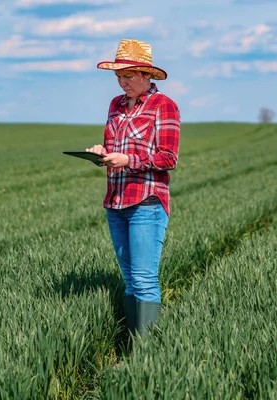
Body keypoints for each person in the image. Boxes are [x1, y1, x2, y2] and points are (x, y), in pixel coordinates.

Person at [86, 39, 180, 338]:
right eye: (118, 76)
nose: (121, 82)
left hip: (146, 202)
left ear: (145, 75)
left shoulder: (163, 105)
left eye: (127, 76)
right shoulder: (115, 104)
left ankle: (145, 354)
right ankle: (129, 346)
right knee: (128, 279)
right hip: (115, 200)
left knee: (143, 279)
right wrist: (102, 152)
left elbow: (168, 158)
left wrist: (129, 160)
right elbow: (114, 148)